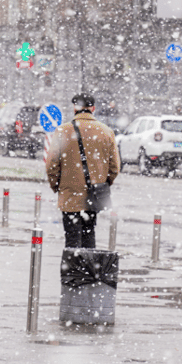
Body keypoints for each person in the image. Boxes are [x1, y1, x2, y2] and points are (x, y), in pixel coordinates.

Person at [45, 93, 120, 248]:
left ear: (75, 108)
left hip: (69, 195)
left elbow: (52, 164)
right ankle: (89, 268)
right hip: (94, 195)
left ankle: (72, 270)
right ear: (93, 108)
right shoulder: (106, 132)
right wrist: (102, 184)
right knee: (89, 234)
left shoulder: (63, 131)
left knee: (71, 237)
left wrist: (57, 186)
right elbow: (114, 167)